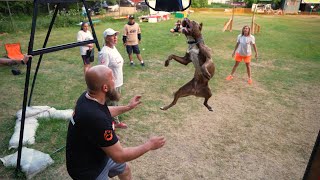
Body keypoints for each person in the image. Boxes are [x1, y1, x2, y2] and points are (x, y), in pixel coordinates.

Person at [66, 65, 166, 179]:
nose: (115, 80)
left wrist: (128, 107)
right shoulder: (97, 119)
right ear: (105, 88)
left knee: (125, 169)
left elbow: (104, 111)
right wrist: (149, 145)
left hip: (100, 155)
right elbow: (119, 156)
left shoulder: (86, 97)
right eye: (112, 79)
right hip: (87, 170)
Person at [98, 28, 127, 129]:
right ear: (106, 38)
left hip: (118, 82)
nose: (115, 37)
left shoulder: (113, 48)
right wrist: (108, 85)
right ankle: (110, 126)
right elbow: (102, 71)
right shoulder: (104, 53)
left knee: (115, 103)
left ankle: (115, 122)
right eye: (112, 35)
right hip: (111, 84)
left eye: (116, 35)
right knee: (110, 106)